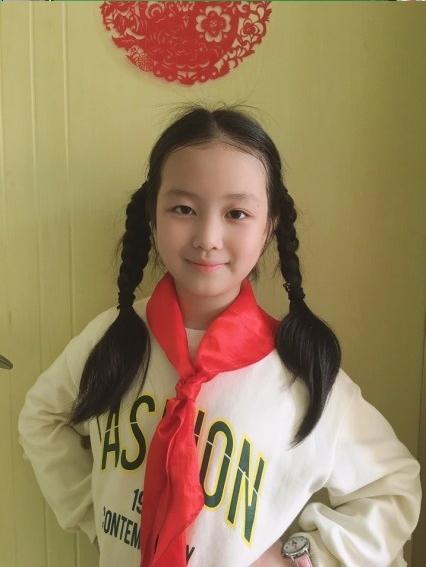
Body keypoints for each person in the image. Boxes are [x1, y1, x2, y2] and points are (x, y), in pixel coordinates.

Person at [18, 104, 421, 567]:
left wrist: (297, 559)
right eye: (183, 209)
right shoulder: (111, 337)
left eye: (236, 213)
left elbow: (392, 487)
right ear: (152, 215)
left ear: (270, 225)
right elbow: (41, 418)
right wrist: (92, 515)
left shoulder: (299, 373)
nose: (208, 237)